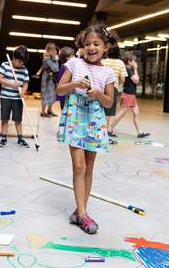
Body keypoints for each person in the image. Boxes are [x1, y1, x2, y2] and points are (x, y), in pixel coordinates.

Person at [56, 23, 116, 234]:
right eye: (88, 43)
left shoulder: (108, 72)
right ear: (83, 45)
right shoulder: (73, 64)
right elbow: (60, 90)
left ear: (105, 47)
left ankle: (80, 211)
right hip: (75, 118)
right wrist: (75, 84)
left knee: (89, 168)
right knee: (79, 167)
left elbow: (109, 103)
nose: (91, 48)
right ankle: (83, 215)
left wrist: (98, 93)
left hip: (95, 119)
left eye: (96, 44)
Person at [108, 52, 150, 138]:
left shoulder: (127, 69)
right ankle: (110, 129)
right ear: (129, 61)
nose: (135, 62)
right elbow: (136, 80)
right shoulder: (129, 70)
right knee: (121, 114)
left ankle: (140, 132)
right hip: (128, 95)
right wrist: (136, 69)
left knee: (136, 113)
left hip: (130, 95)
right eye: (134, 61)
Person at [0, 46, 30, 148]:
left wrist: (23, 92)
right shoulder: (5, 65)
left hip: (17, 99)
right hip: (6, 97)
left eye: (22, 62)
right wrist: (12, 84)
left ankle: (20, 138)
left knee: (18, 119)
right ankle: (3, 137)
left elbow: (26, 83)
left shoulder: (24, 69)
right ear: (13, 58)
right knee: (4, 118)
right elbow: (0, 79)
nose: (21, 64)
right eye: (19, 61)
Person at [102, 43, 128, 144]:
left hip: (101, 88)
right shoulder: (120, 63)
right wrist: (120, 84)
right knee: (108, 114)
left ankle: (97, 133)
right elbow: (123, 78)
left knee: (99, 111)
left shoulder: (103, 62)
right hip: (113, 88)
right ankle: (104, 136)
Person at [41, 42, 59, 117]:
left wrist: (54, 58)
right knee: (45, 94)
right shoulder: (46, 58)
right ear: (50, 50)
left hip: (52, 78)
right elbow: (55, 68)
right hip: (46, 78)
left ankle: (49, 110)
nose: (55, 51)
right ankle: (43, 112)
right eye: (54, 49)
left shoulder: (51, 58)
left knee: (52, 94)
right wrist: (55, 58)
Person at [56, 46, 75, 110]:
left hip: (66, 95)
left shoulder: (63, 66)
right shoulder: (66, 67)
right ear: (67, 58)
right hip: (65, 96)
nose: (75, 57)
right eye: (73, 56)